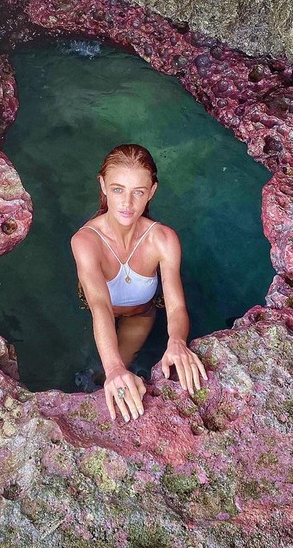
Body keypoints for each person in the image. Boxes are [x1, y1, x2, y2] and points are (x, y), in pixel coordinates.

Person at [71, 144, 207, 423]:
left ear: (152, 191)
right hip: (98, 311)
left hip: (141, 314)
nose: (127, 203)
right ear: (103, 185)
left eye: (139, 192)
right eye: (118, 189)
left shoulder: (164, 239)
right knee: (110, 374)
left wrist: (178, 341)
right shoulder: (85, 242)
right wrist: (113, 369)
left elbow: (176, 305)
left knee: (115, 376)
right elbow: (99, 307)